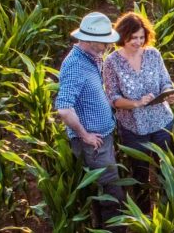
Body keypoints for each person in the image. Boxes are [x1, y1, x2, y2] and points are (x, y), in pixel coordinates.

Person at [54, 12, 126, 231]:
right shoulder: (76, 65)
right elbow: (64, 109)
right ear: (87, 39)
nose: (107, 46)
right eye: (103, 42)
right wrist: (85, 135)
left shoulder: (91, 58)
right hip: (93, 143)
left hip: (102, 137)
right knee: (112, 193)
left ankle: (103, 226)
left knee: (105, 190)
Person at [102, 12, 174, 211]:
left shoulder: (153, 54)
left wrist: (169, 93)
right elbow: (113, 98)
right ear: (122, 36)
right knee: (140, 175)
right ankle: (144, 216)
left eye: (141, 37)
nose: (138, 42)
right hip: (134, 127)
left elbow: (165, 82)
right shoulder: (111, 62)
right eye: (133, 37)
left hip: (162, 122)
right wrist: (136, 103)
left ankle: (168, 210)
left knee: (167, 169)